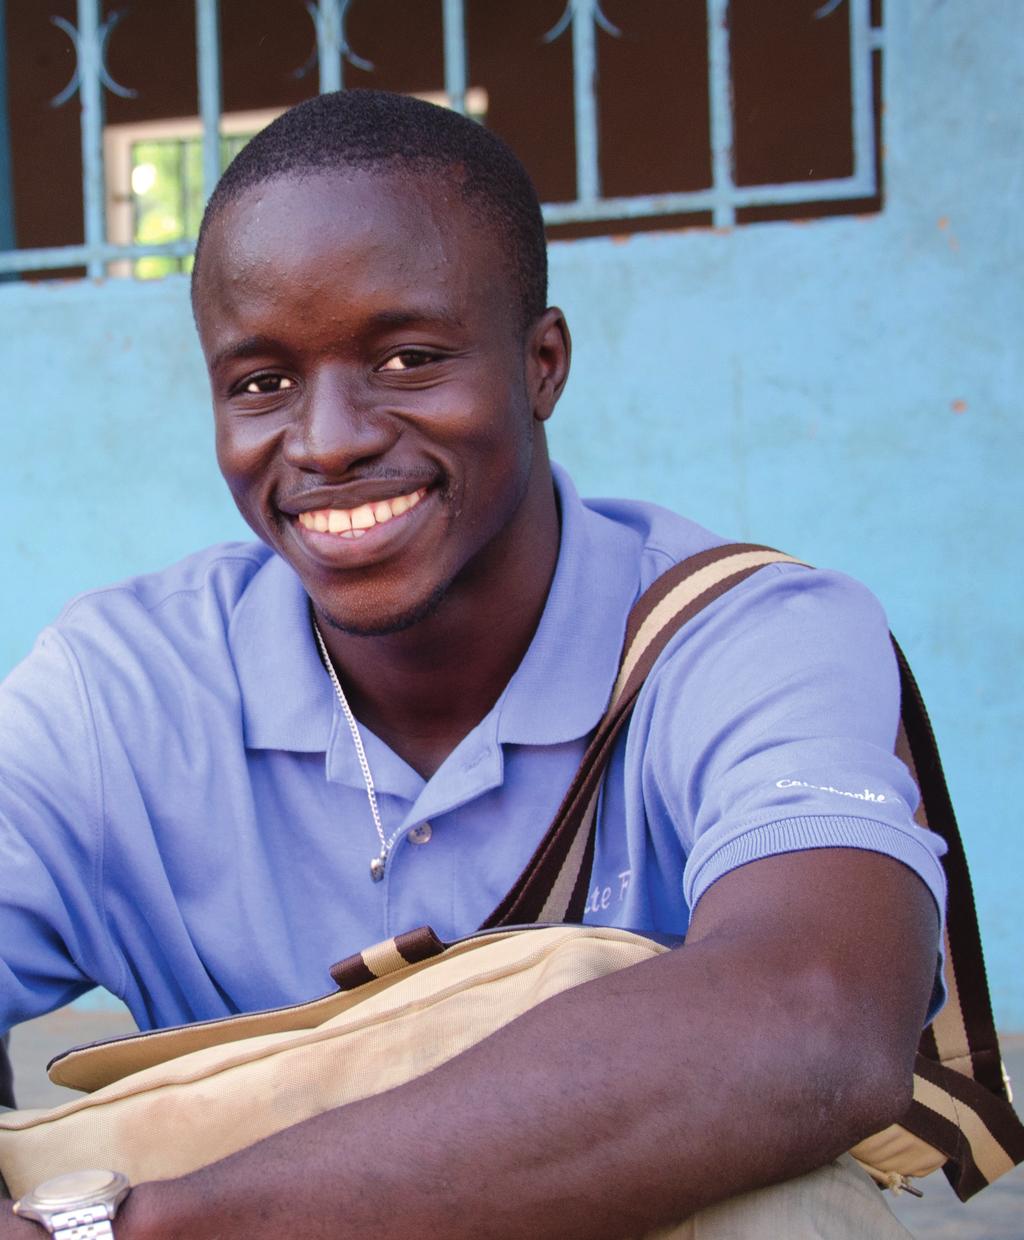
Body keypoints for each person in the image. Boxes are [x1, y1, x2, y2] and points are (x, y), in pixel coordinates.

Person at [0, 91, 945, 1238]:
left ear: (541, 363)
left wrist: (145, 1226)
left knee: (788, 1213)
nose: (329, 438)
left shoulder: (743, 635)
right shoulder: (120, 693)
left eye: (406, 357)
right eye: (260, 381)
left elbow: (814, 1021)